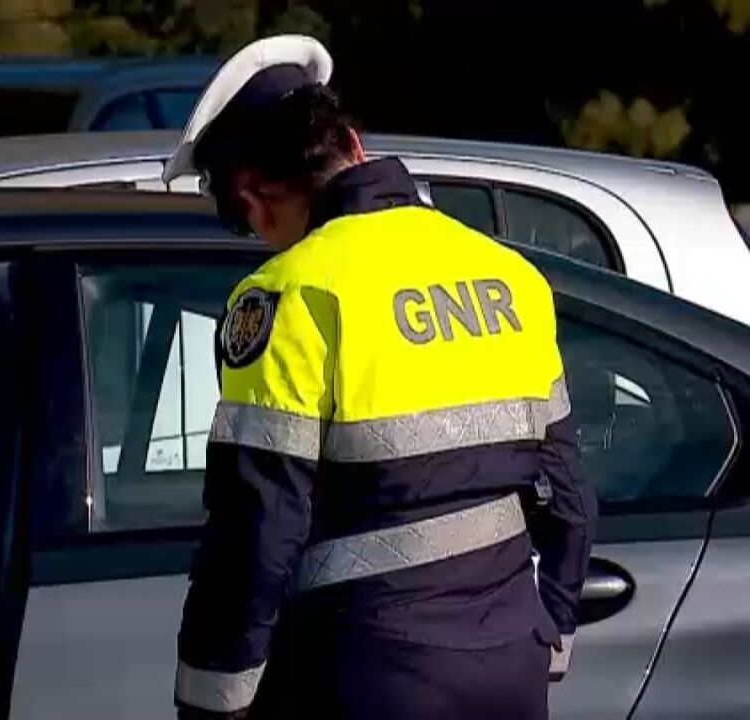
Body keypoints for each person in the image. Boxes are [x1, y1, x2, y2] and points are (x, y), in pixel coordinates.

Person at [163, 35, 596, 720]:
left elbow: (257, 532)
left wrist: (211, 701)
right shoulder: (510, 276)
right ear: (355, 146)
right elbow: (569, 499)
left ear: (251, 198)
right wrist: (552, 638)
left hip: (371, 677)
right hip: (512, 669)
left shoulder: (290, 294)